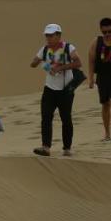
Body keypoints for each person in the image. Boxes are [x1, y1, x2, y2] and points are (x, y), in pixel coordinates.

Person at [30, 23, 82, 157]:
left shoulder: (68, 48)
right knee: (46, 117)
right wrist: (38, 62)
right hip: (49, 89)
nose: (48, 38)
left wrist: (61, 67)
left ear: (59, 35)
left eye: (51, 35)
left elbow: (78, 63)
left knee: (66, 118)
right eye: (47, 35)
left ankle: (67, 148)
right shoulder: (45, 49)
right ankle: (46, 147)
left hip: (65, 90)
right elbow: (33, 63)